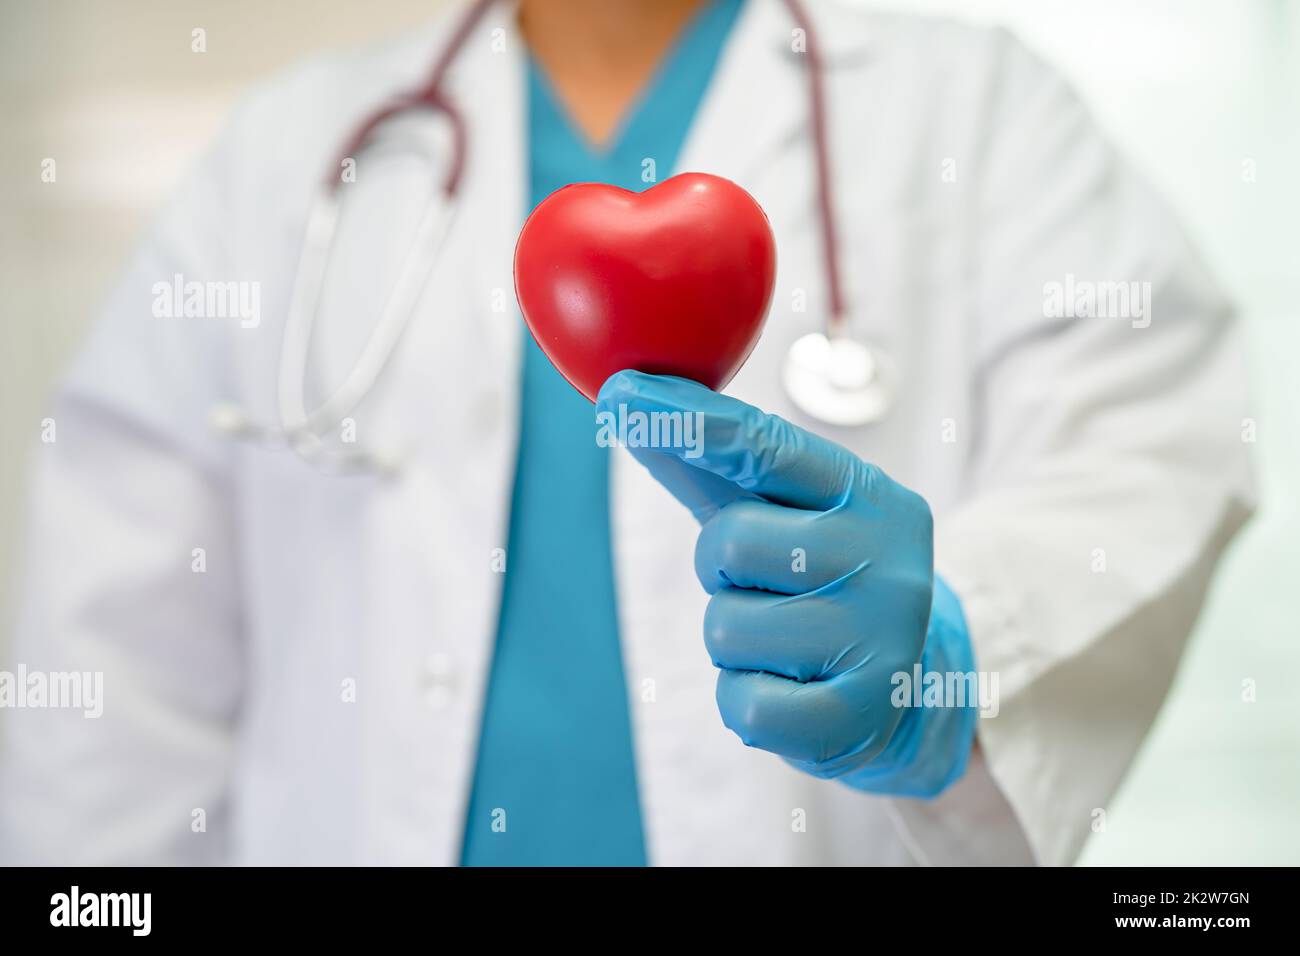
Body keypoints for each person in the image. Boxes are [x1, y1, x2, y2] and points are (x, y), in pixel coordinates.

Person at [0, 0, 1253, 866]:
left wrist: (960, 642)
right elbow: (109, 686)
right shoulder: (278, 162)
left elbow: (1152, 446)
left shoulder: (981, 114)